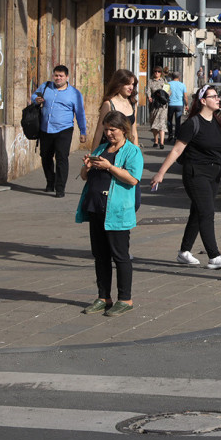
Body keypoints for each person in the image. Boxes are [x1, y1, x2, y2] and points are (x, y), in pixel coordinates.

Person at [150, 85, 221, 270]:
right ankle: (214, 256)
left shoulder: (220, 123)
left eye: (218, 96)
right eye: (214, 96)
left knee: (198, 212)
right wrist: (161, 173)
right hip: (195, 174)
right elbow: (177, 150)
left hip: (214, 174)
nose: (218, 99)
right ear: (203, 101)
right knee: (207, 212)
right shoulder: (192, 124)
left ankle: (184, 252)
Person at [76, 111, 143, 317]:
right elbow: (84, 176)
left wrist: (110, 166)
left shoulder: (132, 152)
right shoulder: (101, 148)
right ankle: (103, 296)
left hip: (117, 211)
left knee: (120, 256)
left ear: (123, 129)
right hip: (96, 208)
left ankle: (125, 299)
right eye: (106, 130)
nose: (109, 134)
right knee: (100, 256)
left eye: (112, 130)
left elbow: (132, 179)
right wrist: (87, 166)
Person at [33, 65, 88, 198]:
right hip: (46, 129)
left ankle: (60, 188)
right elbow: (34, 95)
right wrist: (36, 99)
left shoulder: (74, 93)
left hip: (64, 130)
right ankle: (50, 182)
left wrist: (83, 131)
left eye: (61, 76)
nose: (58, 78)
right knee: (45, 157)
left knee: (62, 158)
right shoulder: (46, 87)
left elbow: (80, 113)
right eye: (56, 75)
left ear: (67, 77)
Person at [90, 69, 139, 150]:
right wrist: (93, 155)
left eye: (133, 84)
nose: (131, 87)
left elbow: (133, 131)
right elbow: (99, 131)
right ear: (118, 84)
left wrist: (137, 152)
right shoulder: (108, 104)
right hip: (109, 148)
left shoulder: (133, 104)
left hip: (127, 149)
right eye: (127, 84)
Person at [146, 66, 170, 149]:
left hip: (162, 105)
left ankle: (162, 142)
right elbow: (148, 90)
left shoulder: (164, 81)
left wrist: (165, 97)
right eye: (155, 71)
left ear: (161, 73)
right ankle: (156, 141)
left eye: (159, 71)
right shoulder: (150, 81)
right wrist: (149, 97)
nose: (157, 73)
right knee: (154, 123)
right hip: (154, 105)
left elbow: (168, 91)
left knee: (162, 123)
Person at [166, 72, 188, 143]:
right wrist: (186, 104)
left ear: (172, 77)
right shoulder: (182, 85)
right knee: (178, 121)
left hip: (170, 104)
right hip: (179, 105)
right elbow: (185, 96)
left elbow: (164, 94)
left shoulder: (167, 84)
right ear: (179, 77)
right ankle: (176, 136)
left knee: (169, 120)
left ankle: (170, 134)